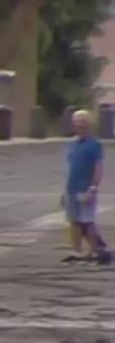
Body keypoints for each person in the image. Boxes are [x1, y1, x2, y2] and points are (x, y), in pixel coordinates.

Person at [63, 109, 110, 265]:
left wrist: (93, 188)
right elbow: (70, 168)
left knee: (87, 222)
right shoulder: (72, 143)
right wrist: (65, 190)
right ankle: (76, 252)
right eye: (77, 121)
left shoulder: (94, 144)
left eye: (83, 121)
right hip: (72, 188)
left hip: (86, 188)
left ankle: (95, 252)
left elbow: (98, 167)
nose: (80, 124)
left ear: (89, 124)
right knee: (73, 222)